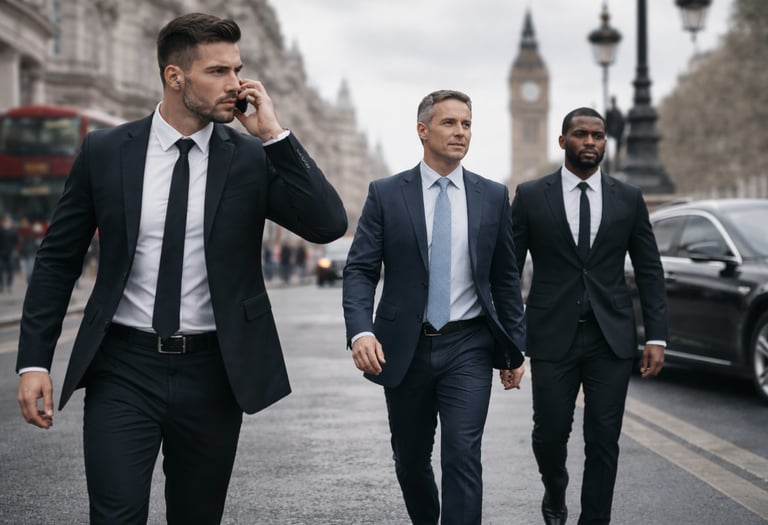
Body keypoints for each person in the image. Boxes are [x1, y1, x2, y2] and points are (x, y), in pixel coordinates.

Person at [15, 12, 347, 525]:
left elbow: (326, 224)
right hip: (124, 367)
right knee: (115, 515)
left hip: (214, 372)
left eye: (238, 69)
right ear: (176, 77)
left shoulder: (250, 159)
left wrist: (275, 136)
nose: (236, 85)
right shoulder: (105, 151)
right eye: (219, 72)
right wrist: (34, 361)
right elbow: (58, 259)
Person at [343, 90, 526, 525]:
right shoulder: (387, 194)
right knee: (410, 458)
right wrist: (360, 330)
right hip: (403, 347)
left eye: (466, 124)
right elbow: (360, 270)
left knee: (462, 454)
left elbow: (505, 278)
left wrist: (516, 347)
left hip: (469, 345)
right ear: (423, 130)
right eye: (449, 123)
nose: (460, 132)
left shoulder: (493, 196)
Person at [510, 107, 667, 525]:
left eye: (598, 135)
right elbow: (508, 269)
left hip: (610, 337)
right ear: (563, 141)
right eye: (581, 134)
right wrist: (510, 339)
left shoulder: (629, 198)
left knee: (603, 438)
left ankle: (595, 519)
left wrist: (656, 336)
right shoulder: (529, 195)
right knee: (549, 434)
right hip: (550, 335)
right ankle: (555, 488)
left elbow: (650, 269)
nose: (592, 142)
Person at [0, 214, 18, 292]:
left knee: (10, 269)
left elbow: (16, 241)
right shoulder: (0, 230)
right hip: (1, 253)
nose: (6, 223)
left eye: (8, 221)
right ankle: (1, 285)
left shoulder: (13, 231)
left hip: (10, 252)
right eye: (5, 221)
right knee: (0, 269)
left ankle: (9, 285)